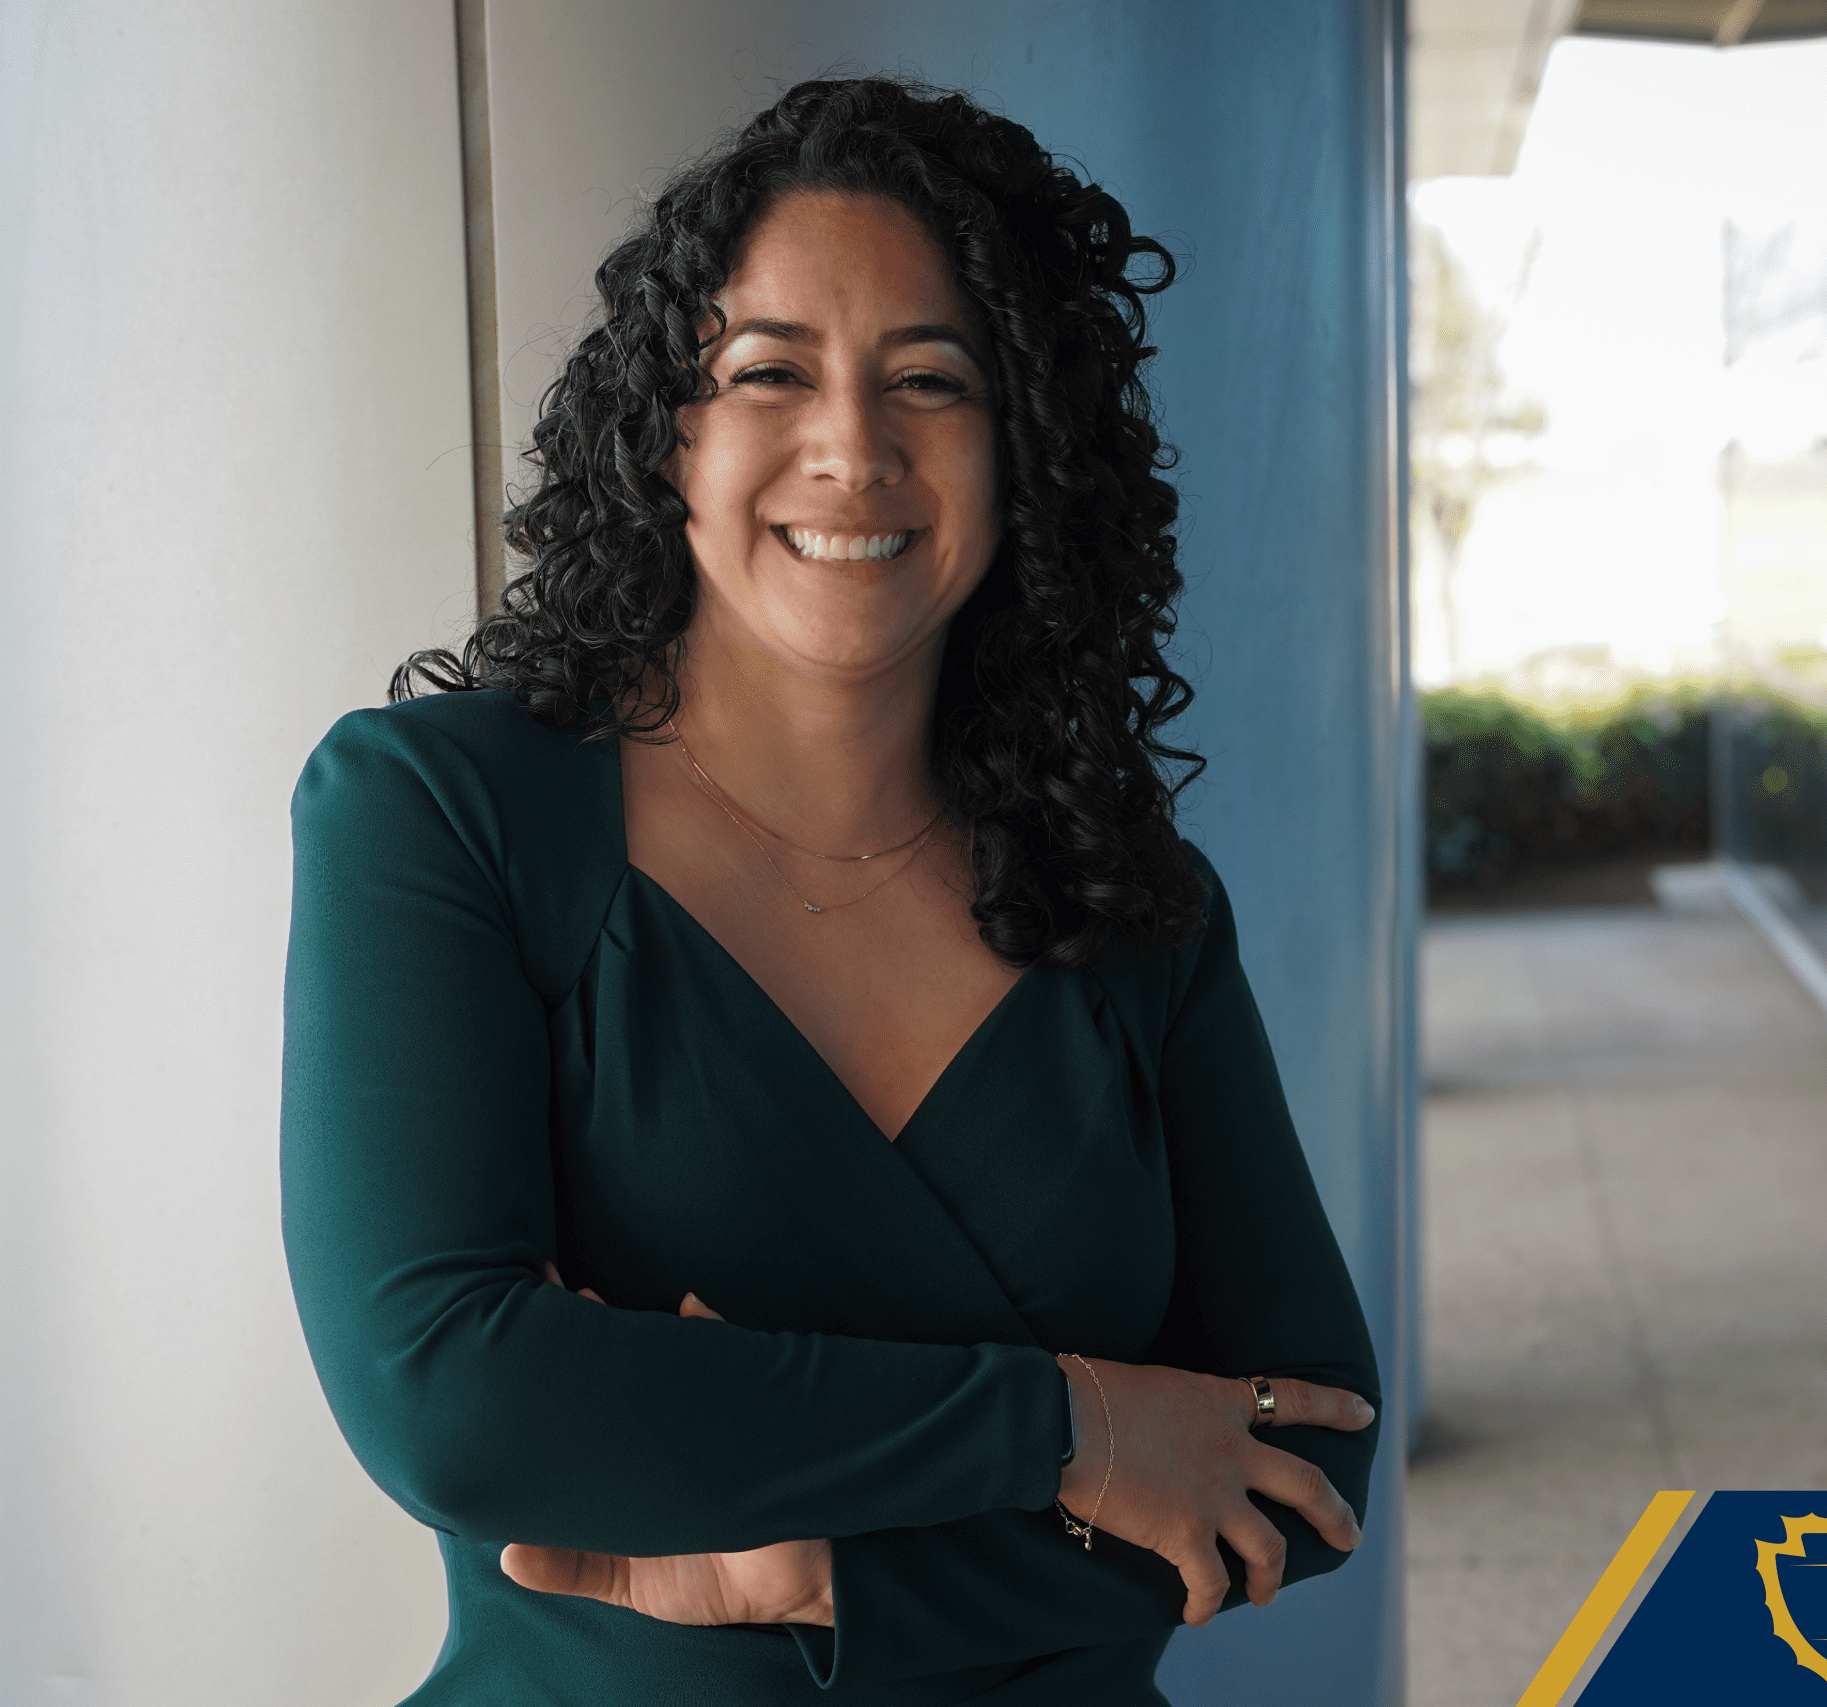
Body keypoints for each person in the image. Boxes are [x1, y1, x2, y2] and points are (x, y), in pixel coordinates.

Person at [281, 75, 1380, 1705]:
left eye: (930, 381)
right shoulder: (445, 812)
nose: (851, 448)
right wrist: (1077, 1428)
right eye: (768, 374)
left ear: (1028, 457)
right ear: (670, 433)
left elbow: (1307, 1454)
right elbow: (454, 1396)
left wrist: (833, 1569)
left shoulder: (1136, 904)